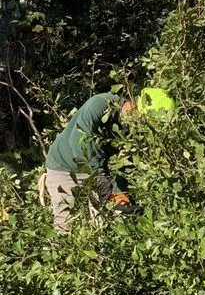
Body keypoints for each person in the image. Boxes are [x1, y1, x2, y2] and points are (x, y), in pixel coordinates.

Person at [41, 88, 175, 230]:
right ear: (135, 105)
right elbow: (77, 142)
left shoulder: (136, 130)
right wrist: (99, 176)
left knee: (103, 225)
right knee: (65, 225)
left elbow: (126, 164)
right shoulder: (100, 104)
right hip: (63, 166)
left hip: (96, 169)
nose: (141, 124)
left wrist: (120, 193)